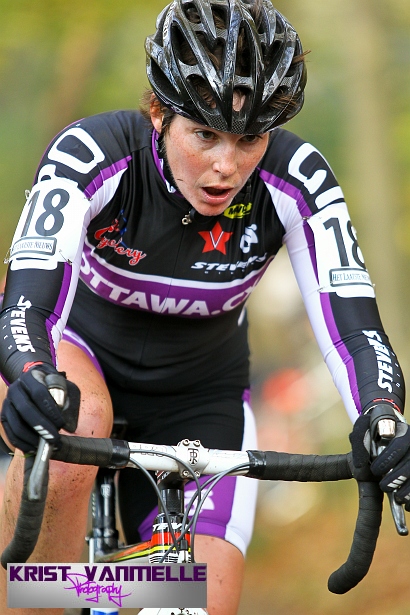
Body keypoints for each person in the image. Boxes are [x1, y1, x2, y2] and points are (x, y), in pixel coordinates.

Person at [0, 1, 409, 613]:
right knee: (77, 422)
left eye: (249, 140)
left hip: (199, 397)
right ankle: (42, 598)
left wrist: (382, 417)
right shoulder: (91, 151)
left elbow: (353, 328)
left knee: (197, 600)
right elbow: (27, 301)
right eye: (205, 135)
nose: (226, 165)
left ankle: (112, 590)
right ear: (159, 112)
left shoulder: (297, 177)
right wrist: (30, 373)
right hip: (78, 358)